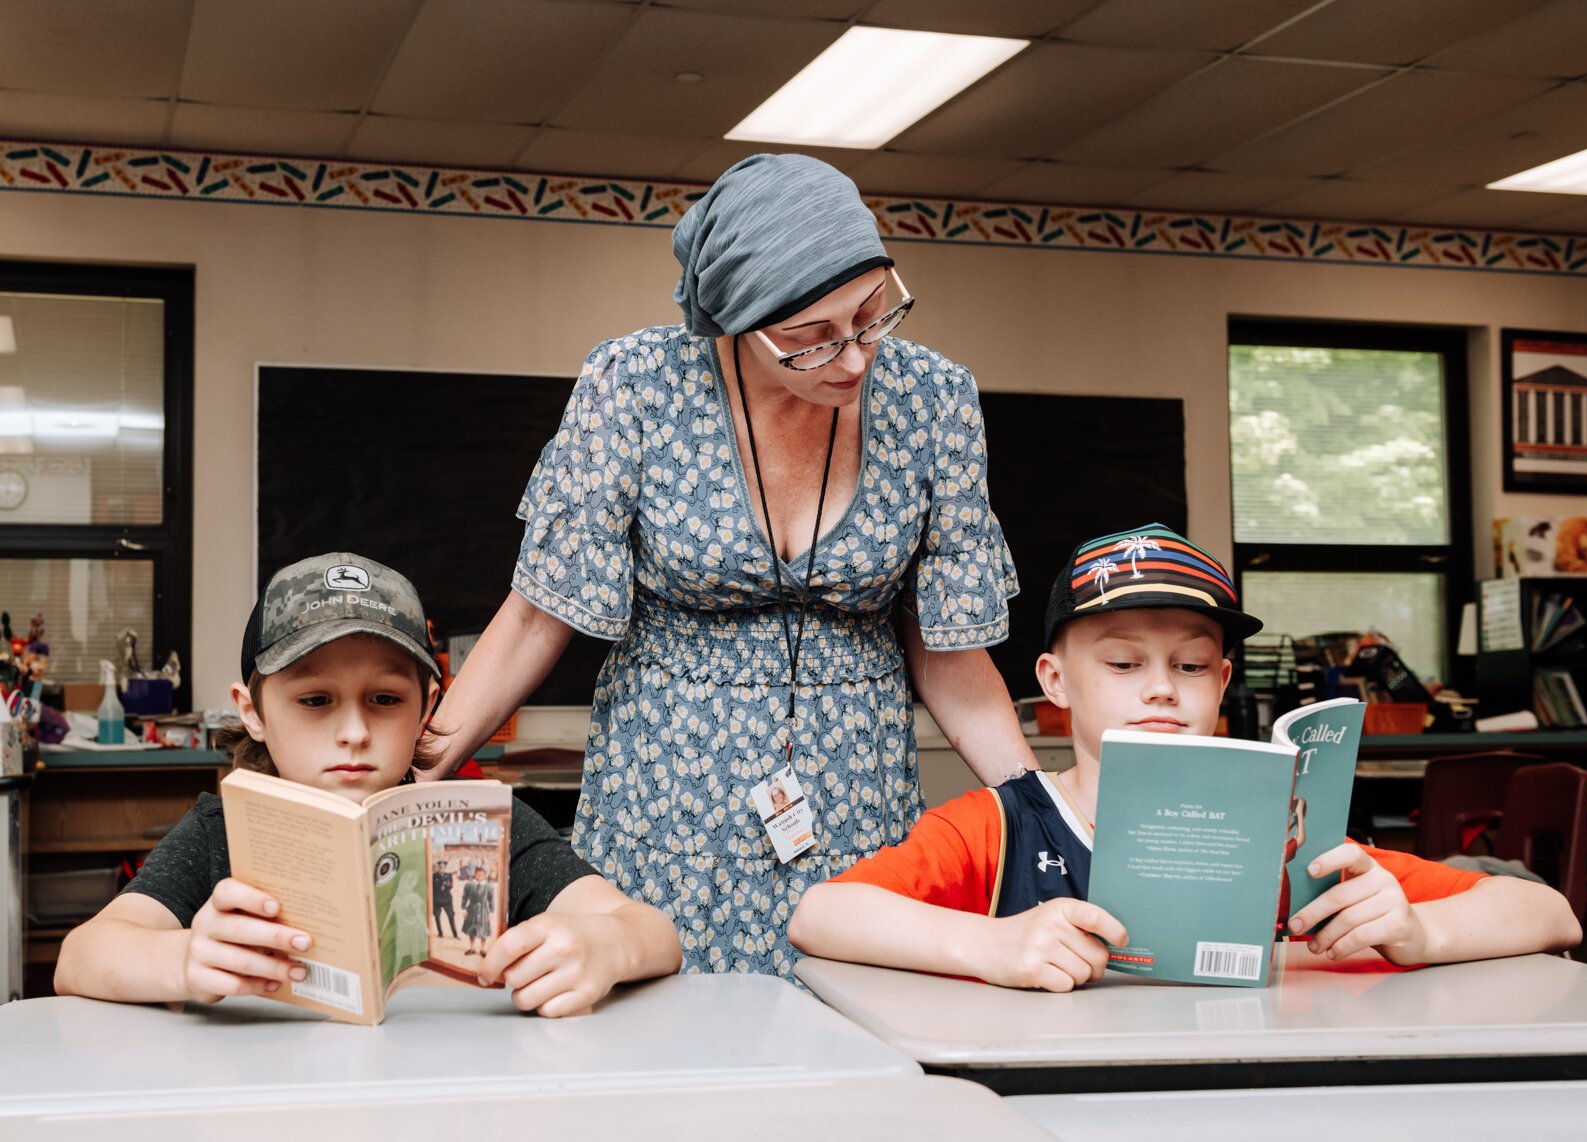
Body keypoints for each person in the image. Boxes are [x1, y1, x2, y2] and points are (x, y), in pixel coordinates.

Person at [422, 153, 1036, 977]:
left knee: (851, 1046)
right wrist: (411, 772)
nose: (854, 359)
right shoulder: (638, 385)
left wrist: (1044, 810)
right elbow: (539, 612)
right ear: (735, 323)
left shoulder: (933, 400)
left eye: (871, 313)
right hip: (666, 807)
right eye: (811, 338)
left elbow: (951, 656)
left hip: (854, 807)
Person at [789, 524, 1583, 989]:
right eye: (1124, 664)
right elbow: (820, 914)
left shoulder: (1279, 824)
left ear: (1224, 682)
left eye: (1192, 666)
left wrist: (1417, 933)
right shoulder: (1001, 823)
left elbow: (1552, 914)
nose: (1162, 689)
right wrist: (987, 944)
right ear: (1055, 681)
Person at [54, 552, 681, 1016]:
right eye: (315, 699)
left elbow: (654, 933)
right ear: (253, 711)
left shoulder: (486, 823)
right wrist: (183, 958)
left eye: (384, 698)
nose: (353, 731)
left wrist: (603, 947)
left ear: (428, 706)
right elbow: (80, 957)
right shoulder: (219, 831)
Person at [462, 866, 496, 957]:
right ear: (475, 875)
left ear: (485, 875)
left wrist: (491, 913)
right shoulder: (469, 885)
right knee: (471, 930)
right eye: (478, 875)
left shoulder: (489, 887)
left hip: (483, 911)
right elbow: (464, 897)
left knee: (484, 931)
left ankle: (482, 949)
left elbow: (491, 900)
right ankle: (472, 948)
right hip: (471, 909)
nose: (480, 877)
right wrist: (464, 909)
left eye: (482, 875)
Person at [432, 859, 459, 939]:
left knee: (451, 916)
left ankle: (455, 934)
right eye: (440, 867)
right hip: (436, 899)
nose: (441, 869)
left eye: (443, 867)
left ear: (445, 868)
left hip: (447, 899)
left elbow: (450, 886)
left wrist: (448, 885)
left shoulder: (448, 875)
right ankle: (440, 933)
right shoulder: (434, 876)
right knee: (437, 917)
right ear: (438, 868)